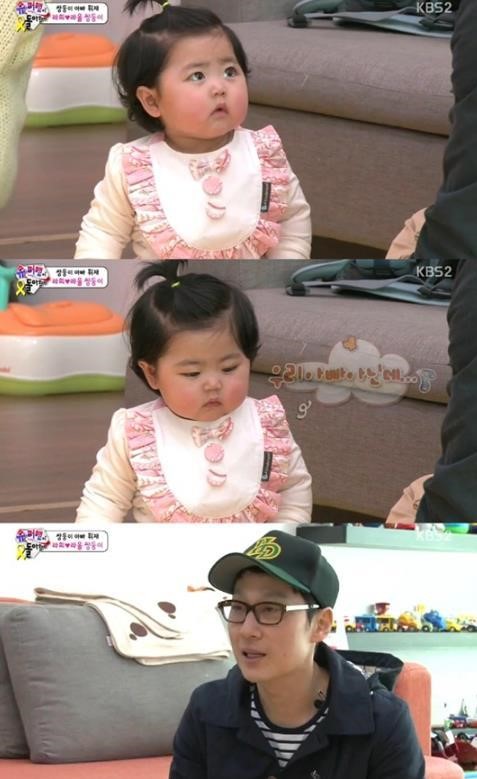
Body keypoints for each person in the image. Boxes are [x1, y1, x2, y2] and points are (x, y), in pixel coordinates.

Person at [170, 529, 425, 779]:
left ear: (321, 625)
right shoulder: (207, 709)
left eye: (270, 609)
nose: (246, 630)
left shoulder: (383, 721)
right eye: (238, 607)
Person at [75, 262, 312, 523]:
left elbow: (293, 490)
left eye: (229, 368)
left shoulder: (267, 424)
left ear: (248, 359)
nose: (213, 383)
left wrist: (285, 534)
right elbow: (104, 500)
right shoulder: (134, 433)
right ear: (152, 373)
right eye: (192, 373)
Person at [74, 0, 312, 260]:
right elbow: (103, 233)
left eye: (230, 71)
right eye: (198, 76)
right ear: (152, 101)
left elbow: (291, 220)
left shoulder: (264, 154)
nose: (219, 87)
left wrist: (285, 263)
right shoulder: (133, 166)